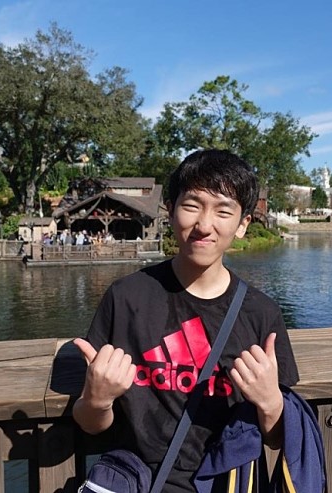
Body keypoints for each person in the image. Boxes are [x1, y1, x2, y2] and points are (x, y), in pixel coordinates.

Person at [73, 149, 299, 492]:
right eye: (192, 205)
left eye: (223, 211)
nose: (204, 225)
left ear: (242, 225)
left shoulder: (261, 313)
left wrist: (270, 402)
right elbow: (90, 423)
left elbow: (276, 438)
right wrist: (98, 400)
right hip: (141, 484)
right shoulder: (126, 298)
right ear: (170, 209)